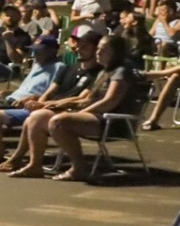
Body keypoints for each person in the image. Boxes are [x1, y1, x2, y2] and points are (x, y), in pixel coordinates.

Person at [16, 33, 137, 181]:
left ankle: (79, 167)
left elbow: (110, 101)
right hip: (94, 116)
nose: (98, 52)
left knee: (58, 122)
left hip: (112, 121)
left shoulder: (120, 71)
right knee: (37, 116)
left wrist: (82, 111)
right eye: (98, 49)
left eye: (104, 50)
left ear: (116, 53)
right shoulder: (104, 71)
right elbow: (87, 97)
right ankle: (35, 165)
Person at [0, 35, 72, 169]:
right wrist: (7, 92)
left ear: (52, 50)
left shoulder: (58, 67)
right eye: (34, 50)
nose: (35, 53)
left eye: (40, 50)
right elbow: (24, 88)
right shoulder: (36, 65)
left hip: (26, 104)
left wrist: (33, 98)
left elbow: (52, 92)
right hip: (13, 99)